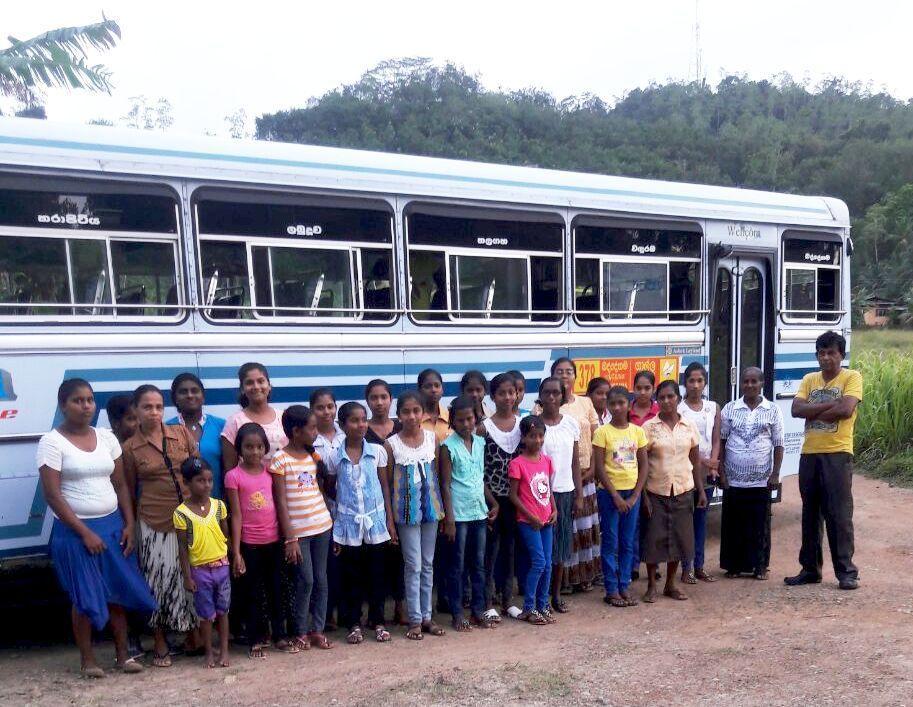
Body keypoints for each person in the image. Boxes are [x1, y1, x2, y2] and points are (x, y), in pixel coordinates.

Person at [38, 379, 155, 678]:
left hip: (113, 526)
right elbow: (52, 495)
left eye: (90, 400)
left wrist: (129, 524)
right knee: (84, 597)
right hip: (75, 532)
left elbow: (121, 485)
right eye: (78, 400)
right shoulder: (51, 442)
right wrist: (84, 533)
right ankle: (88, 660)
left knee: (118, 594)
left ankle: (123, 656)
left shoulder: (106, 438)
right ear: (63, 405)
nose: (86, 405)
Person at [123, 384, 200, 668]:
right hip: (155, 522)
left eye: (158, 406)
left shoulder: (180, 434)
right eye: (147, 407)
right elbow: (129, 492)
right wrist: (131, 526)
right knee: (158, 581)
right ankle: (160, 640)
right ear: (136, 410)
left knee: (191, 578)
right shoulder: (130, 448)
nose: (154, 412)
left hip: (191, 519)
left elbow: (198, 470)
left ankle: (193, 635)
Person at [786, 331, 863, 591]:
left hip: (838, 453)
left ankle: (846, 572)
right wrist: (831, 405)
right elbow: (796, 410)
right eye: (822, 352)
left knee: (839, 514)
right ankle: (810, 569)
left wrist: (815, 409)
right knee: (810, 514)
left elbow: (846, 409)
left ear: (841, 354)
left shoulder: (851, 377)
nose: (826, 357)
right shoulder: (809, 379)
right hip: (809, 454)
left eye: (831, 352)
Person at [328, 402, 395, 644]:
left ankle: (378, 621)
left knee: (377, 575)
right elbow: (330, 488)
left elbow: (384, 487)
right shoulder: (335, 456)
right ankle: (353, 623)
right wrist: (342, 517)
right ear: (343, 425)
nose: (361, 425)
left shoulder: (377, 452)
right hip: (348, 527)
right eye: (355, 420)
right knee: (351, 577)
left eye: (363, 419)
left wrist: (389, 522)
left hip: (376, 524)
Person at [271, 406, 335, 650]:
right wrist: (290, 538)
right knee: (305, 581)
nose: (316, 432)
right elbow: (281, 501)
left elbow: (317, 488)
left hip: (322, 526)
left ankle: (317, 629)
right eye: (312, 428)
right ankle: (299, 630)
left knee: (321, 580)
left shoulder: (313, 456)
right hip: (298, 533)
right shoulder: (280, 460)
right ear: (296, 431)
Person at [225, 422, 289, 658]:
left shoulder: (271, 472)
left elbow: (279, 504)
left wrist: (285, 536)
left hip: (273, 541)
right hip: (249, 544)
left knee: (276, 589)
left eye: (259, 447)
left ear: (265, 448)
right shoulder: (233, 477)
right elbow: (236, 514)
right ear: (239, 449)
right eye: (248, 447)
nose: (254, 452)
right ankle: (255, 637)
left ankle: (280, 635)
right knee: (252, 593)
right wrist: (237, 551)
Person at [386, 390, 446, 640]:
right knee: (413, 564)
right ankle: (414, 619)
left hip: (431, 510)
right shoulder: (392, 444)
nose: (411, 416)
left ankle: (427, 618)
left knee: (428, 563)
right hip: (406, 513)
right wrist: (390, 521)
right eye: (406, 411)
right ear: (398, 415)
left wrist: (446, 513)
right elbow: (388, 484)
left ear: (423, 413)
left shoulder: (432, 439)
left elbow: (439, 476)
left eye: (416, 411)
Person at [640, 380, 707, 603]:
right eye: (662, 398)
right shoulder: (649, 428)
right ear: (657, 401)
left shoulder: (689, 426)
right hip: (655, 491)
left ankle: (670, 584)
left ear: (678, 398)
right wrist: (643, 496)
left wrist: (701, 490)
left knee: (679, 539)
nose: (666, 401)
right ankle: (651, 585)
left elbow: (695, 461)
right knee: (654, 540)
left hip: (683, 489)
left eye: (671, 396)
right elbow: (641, 464)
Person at [439, 395, 499, 631]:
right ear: (453, 422)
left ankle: (477, 611)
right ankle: (456, 613)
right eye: (461, 420)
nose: (466, 424)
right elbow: (445, 484)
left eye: (470, 419)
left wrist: (494, 502)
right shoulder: (447, 447)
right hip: (459, 515)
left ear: (476, 419)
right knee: (457, 566)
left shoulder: (480, 443)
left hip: (479, 513)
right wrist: (450, 519)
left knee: (479, 565)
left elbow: (479, 478)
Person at [719, 368, 784, 580]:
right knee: (734, 524)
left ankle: (760, 567)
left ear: (762, 383)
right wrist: (722, 472)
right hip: (734, 478)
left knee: (759, 525)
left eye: (754, 381)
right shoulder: (730, 408)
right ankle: (734, 566)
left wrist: (775, 475)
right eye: (745, 381)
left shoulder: (772, 410)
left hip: (761, 479)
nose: (749, 385)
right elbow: (721, 441)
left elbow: (779, 444)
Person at [592, 386, 648, 607]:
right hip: (609, 494)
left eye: (621, 403)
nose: (616, 407)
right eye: (612, 403)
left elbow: (643, 466)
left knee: (627, 542)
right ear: (607, 405)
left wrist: (635, 496)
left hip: (632, 494)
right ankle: (611, 589)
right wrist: (615, 495)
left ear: (629, 404)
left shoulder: (637, 432)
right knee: (611, 541)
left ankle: (624, 585)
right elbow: (599, 468)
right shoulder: (602, 433)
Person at [173, 458, 230, 669]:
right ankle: (208, 652)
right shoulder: (181, 513)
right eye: (200, 480)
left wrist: (234, 558)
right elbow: (182, 547)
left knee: (223, 611)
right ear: (186, 482)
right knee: (206, 615)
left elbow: (226, 535)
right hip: (199, 570)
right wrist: (187, 576)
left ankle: (224, 651)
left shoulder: (219, 506)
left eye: (209, 480)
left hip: (222, 566)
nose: (206, 485)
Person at [551, 358, 600, 593]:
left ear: (575, 376)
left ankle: (585, 576)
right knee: (566, 529)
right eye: (559, 372)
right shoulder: (546, 403)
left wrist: (592, 469)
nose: (564, 375)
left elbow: (597, 437)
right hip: (559, 478)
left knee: (585, 527)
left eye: (568, 372)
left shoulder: (586, 403)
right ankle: (565, 580)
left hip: (586, 473)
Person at [537, 376, 583, 613]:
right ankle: (539, 597)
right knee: (542, 551)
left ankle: (555, 594)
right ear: (541, 396)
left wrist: (579, 495)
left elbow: (575, 462)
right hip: (540, 496)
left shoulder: (571, 424)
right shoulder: (534, 425)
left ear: (563, 396)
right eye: (547, 393)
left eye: (556, 393)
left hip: (565, 492)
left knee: (561, 548)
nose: (552, 397)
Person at [364, 379, 406, 626]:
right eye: (373, 398)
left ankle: (401, 607)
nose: (379, 402)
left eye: (384, 397)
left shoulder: (401, 426)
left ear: (391, 399)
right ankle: (375, 612)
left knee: (400, 557)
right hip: (371, 505)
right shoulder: (361, 428)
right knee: (375, 559)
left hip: (402, 500)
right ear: (367, 401)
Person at [509, 416, 558, 625]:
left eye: (540, 436)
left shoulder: (546, 461)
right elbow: (513, 496)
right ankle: (529, 608)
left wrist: (554, 510)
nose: (537, 440)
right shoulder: (517, 464)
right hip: (528, 522)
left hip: (546, 520)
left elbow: (548, 488)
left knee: (547, 564)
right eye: (532, 436)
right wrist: (531, 517)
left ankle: (542, 604)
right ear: (523, 438)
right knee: (538, 562)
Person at [481, 372, 521, 621]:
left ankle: (508, 600)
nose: (507, 397)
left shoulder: (524, 424)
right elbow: (479, 470)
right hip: (490, 500)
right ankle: (487, 601)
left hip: (516, 500)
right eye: (502, 393)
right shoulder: (483, 428)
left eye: (512, 392)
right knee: (490, 552)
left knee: (510, 551)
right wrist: (490, 500)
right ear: (493, 396)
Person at [677, 363, 720, 584]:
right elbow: (682, 444)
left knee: (701, 521)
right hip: (686, 470)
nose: (695, 385)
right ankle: (686, 568)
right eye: (691, 381)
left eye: (700, 381)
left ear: (705, 383)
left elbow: (715, 438)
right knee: (686, 523)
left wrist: (713, 464)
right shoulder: (679, 409)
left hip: (707, 474)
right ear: (685, 383)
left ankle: (700, 566)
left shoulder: (712, 407)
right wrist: (703, 461)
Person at [309, 387, 342, 630]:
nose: (326, 411)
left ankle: (346, 613)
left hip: (347, 511)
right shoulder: (310, 442)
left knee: (346, 565)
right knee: (326, 566)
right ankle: (326, 614)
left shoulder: (345, 435)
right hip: (320, 511)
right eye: (320, 407)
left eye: (330, 406)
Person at [167, 373, 226, 499]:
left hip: (217, 504)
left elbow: (229, 468)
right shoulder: (166, 429)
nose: (190, 395)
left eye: (194, 391)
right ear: (175, 399)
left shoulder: (221, 426)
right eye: (183, 392)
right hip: (180, 508)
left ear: (203, 397)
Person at [221, 363, 287, 470]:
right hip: (249, 487)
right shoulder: (234, 421)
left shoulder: (284, 417)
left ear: (269, 385)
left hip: (284, 485)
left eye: (261, 381)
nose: (256, 387)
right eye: (249, 383)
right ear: (242, 389)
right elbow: (230, 469)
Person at [418, 368, 450, 443]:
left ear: (442, 389)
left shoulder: (451, 418)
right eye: (428, 386)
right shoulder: (415, 420)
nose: (433, 390)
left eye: (437, 386)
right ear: (419, 390)